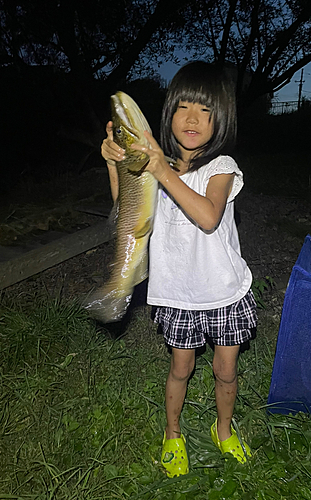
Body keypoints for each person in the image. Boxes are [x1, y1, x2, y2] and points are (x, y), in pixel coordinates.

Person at [101, 61, 257, 477]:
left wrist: (159, 169)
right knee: (180, 369)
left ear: (220, 119)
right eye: (183, 106)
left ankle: (223, 428)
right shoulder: (158, 163)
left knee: (226, 372)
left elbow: (207, 217)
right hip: (178, 296)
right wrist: (116, 164)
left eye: (205, 111)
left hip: (223, 293)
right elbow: (126, 208)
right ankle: (173, 432)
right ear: (168, 114)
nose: (192, 118)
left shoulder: (220, 167)